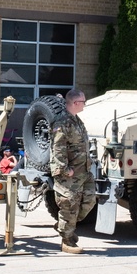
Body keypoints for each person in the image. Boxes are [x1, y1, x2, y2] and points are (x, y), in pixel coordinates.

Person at [49, 88, 96, 255]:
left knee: (89, 200)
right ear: (76, 103)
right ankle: (66, 240)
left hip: (83, 171)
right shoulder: (62, 122)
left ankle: (64, 227)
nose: (85, 104)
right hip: (69, 173)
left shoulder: (77, 120)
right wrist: (64, 169)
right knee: (69, 205)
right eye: (83, 101)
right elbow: (58, 147)